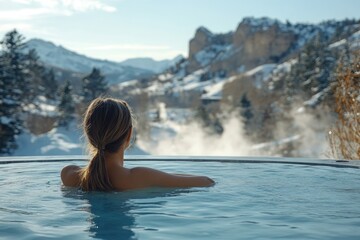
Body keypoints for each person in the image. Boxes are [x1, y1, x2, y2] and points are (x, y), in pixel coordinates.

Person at [61, 97, 214, 191]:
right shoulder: (140, 177)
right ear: (129, 134)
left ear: (89, 135)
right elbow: (206, 182)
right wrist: (165, 176)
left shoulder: (68, 174)